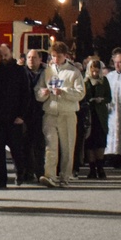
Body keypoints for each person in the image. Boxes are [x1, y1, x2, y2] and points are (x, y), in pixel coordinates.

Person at [35, 41, 86, 188]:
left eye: (58, 56)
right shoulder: (47, 71)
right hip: (50, 113)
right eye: (53, 56)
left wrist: (64, 92)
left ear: (65, 56)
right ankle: (50, 175)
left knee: (67, 147)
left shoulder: (73, 72)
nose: (55, 59)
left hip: (67, 113)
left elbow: (80, 93)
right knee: (50, 146)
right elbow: (38, 91)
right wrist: (43, 93)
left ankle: (65, 176)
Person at [0, 44, 28, 189]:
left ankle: (20, 172)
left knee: (16, 149)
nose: (4, 58)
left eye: (6, 55)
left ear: (11, 53)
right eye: (1, 55)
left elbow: (25, 94)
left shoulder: (20, 71)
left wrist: (22, 115)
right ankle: (1, 180)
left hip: (14, 116)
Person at [81, 59, 111, 179]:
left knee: (100, 142)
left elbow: (109, 97)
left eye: (97, 71)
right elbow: (82, 96)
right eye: (93, 71)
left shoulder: (104, 81)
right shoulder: (85, 82)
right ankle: (92, 169)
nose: (95, 74)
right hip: (89, 114)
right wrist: (89, 101)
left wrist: (101, 99)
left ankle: (100, 168)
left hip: (100, 115)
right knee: (90, 142)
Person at [21, 48, 47, 184]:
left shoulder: (46, 73)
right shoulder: (21, 72)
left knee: (39, 144)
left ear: (40, 59)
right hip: (25, 113)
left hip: (41, 111)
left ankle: (40, 172)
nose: (31, 60)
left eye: (34, 57)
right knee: (25, 143)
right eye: (29, 57)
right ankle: (27, 171)